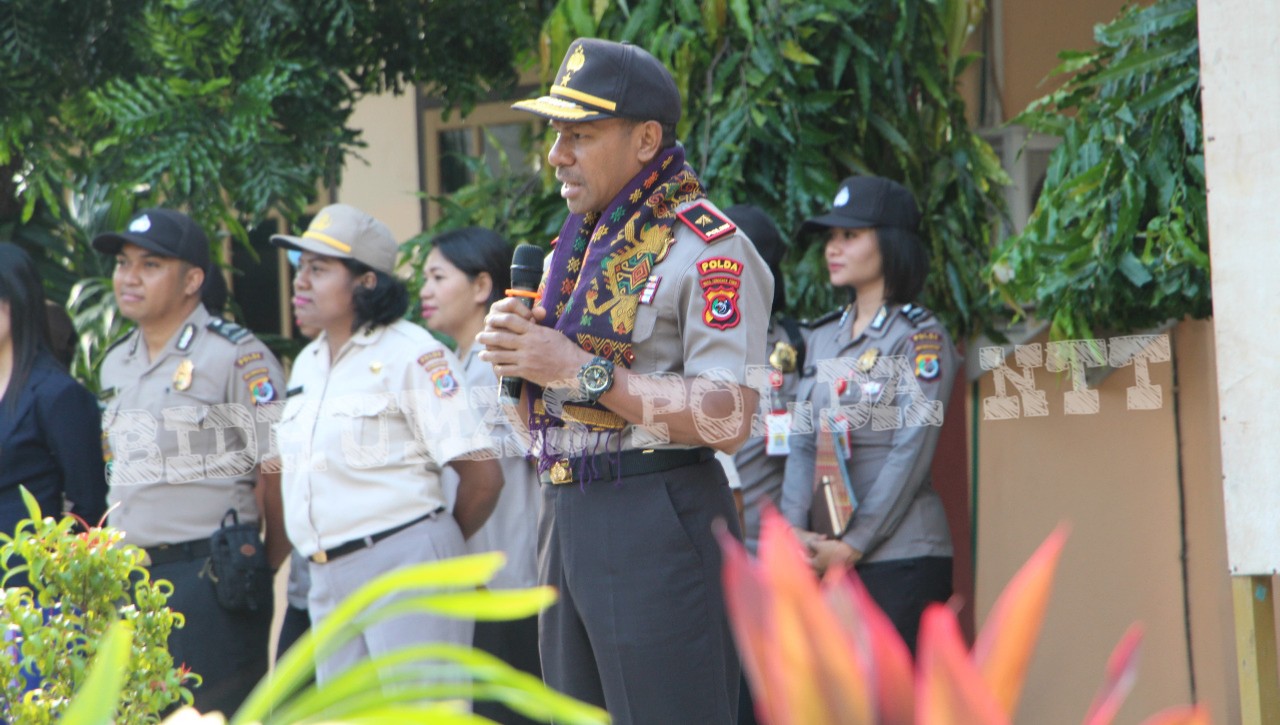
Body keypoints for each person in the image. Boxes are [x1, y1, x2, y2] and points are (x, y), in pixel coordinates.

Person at [481, 38, 773, 724]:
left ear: (646, 140)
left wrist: (578, 369)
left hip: (656, 513)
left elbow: (728, 417)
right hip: (569, 514)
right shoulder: (568, 255)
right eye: (557, 134)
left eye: (580, 134)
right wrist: (519, 362)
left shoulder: (709, 248)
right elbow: (541, 422)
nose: (558, 154)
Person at [271, 204, 503, 686]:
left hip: (405, 567)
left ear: (366, 281)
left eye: (318, 269)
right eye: (300, 268)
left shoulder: (412, 353)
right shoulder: (310, 363)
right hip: (326, 576)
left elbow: (483, 476)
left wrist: (423, 545)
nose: (300, 282)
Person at [94, 209, 288, 715]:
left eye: (150, 264)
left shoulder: (234, 356)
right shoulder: (117, 360)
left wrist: (261, 563)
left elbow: (278, 471)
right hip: (131, 577)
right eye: (122, 263)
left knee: (217, 714)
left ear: (193, 279)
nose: (129, 277)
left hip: (210, 576)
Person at [779, 176, 957, 653]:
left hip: (899, 559)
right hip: (826, 559)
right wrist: (794, 533)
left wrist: (853, 543)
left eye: (850, 236)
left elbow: (911, 451)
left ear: (892, 243)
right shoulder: (820, 337)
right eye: (831, 238)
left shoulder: (919, 337)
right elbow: (801, 441)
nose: (833, 248)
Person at [419, 227, 542, 724]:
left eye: (437, 276)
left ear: (481, 286)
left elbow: (527, 464)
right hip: (472, 585)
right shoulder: (454, 368)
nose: (424, 290)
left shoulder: (506, 367)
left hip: (512, 583)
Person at [0, 243, 107, 535]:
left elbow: (90, 506)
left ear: (16, 301)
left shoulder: (58, 394)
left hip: (29, 572)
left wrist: (55, 564)